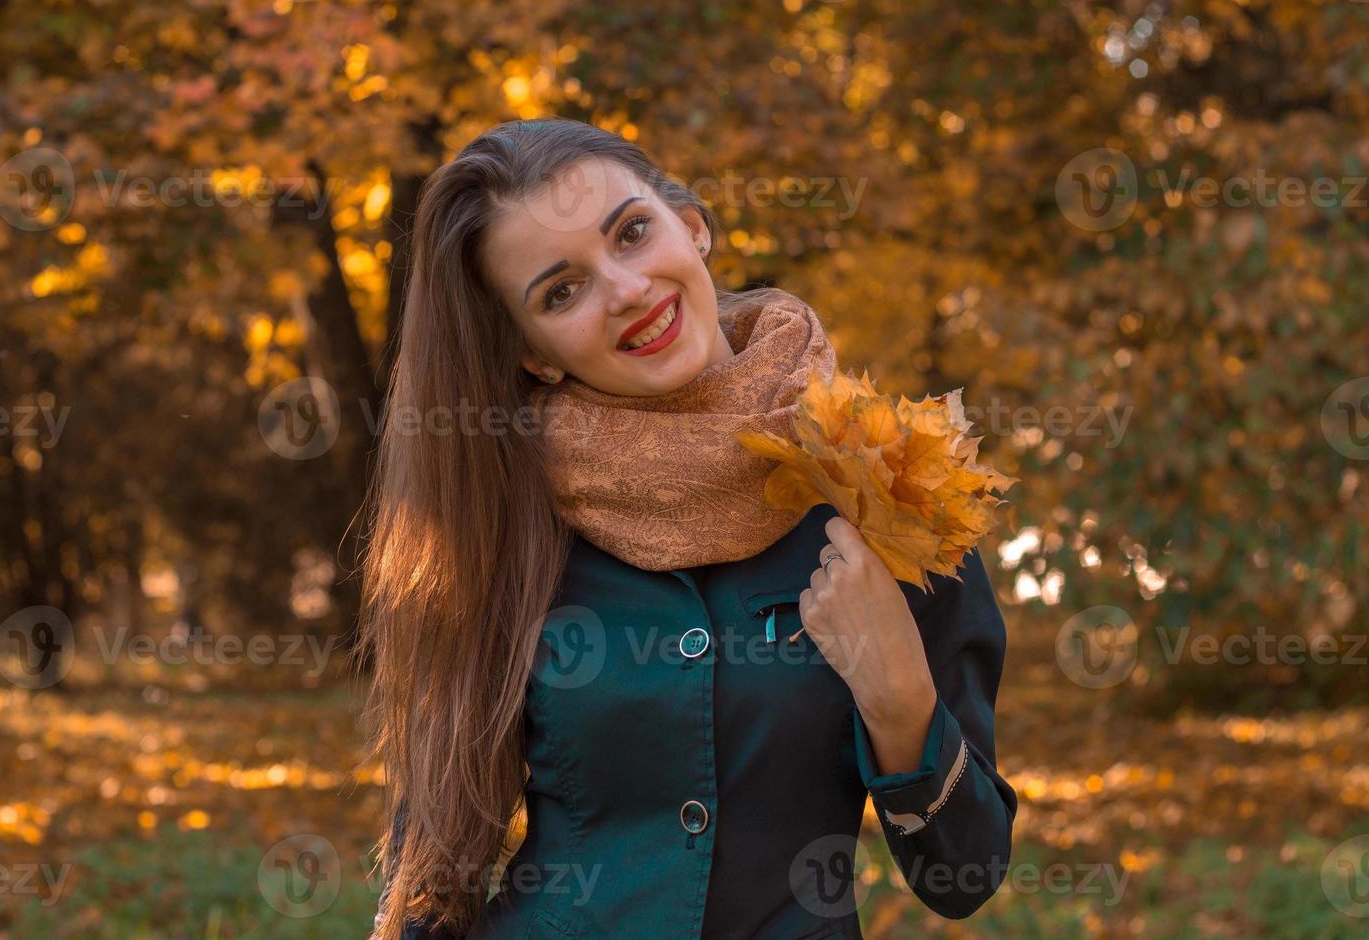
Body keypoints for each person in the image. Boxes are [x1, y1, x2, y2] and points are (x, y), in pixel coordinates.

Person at [357, 117, 1016, 939]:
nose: (627, 290)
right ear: (534, 355)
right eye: (561, 291)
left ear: (693, 224)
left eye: (632, 233)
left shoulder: (888, 491)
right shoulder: (505, 517)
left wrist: (898, 696)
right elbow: (436, 868)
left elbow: (970, 872)